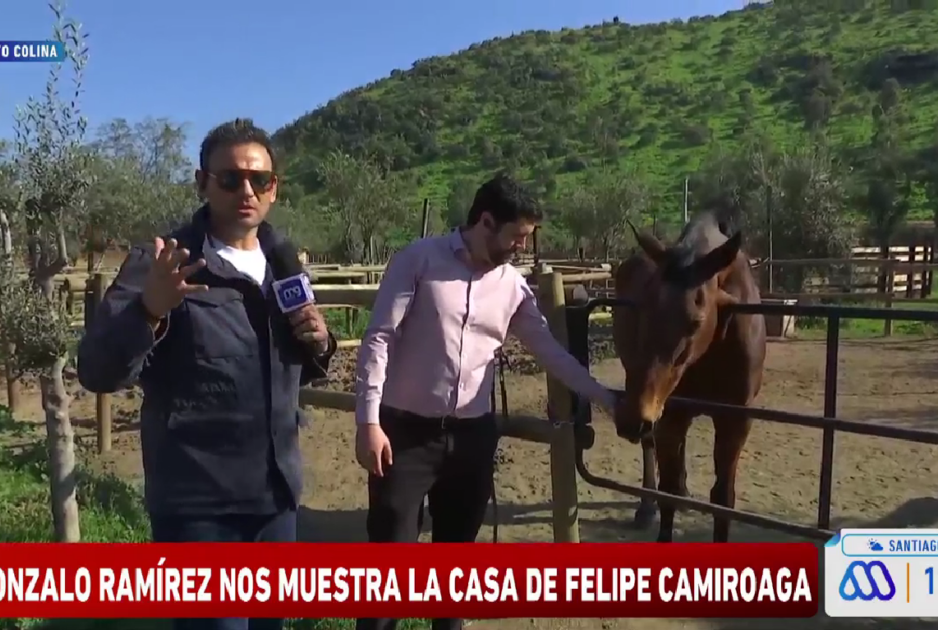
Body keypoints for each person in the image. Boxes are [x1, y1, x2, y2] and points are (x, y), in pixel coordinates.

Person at [76, 118, 335, 630]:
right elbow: (97, 371)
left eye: (259, 180)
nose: (246, 190)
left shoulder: (285, 264)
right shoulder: (163, 264)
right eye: (230, 178)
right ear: (202, 184)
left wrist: (320, 341)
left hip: (275, 498)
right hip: (199, 505)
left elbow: (289, 369)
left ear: (274, 189)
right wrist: (148, 310)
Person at [352, 173, 617, 630]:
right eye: (517, 236)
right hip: (405, 436)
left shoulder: (512, 287)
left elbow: (550, 351)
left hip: (473, 439)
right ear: (487, 222)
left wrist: (606, 396)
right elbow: (379, 337)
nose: (521, 247)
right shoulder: (418, 261)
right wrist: (368, 421)